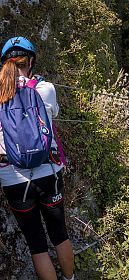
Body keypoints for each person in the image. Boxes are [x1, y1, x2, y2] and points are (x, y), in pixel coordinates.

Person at [0, 37, 74, 280]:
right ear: (30, 62)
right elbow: (52, 116)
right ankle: (70, 278)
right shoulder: (46, 88)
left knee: (36, 243)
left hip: (13, 178)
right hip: (48, 172)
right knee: (59, 234)